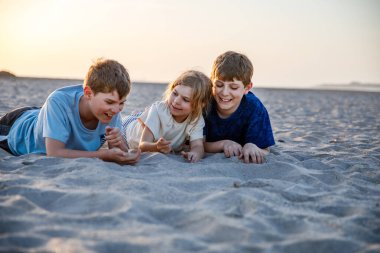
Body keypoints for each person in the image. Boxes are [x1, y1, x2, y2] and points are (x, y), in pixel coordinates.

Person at [0, 58, 140, 164]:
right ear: (88, 93)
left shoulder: (110, 111)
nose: (116, 109)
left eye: (122, 103)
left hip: (47, 116)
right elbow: (54, 153)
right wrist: (104, 154)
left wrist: (118, 144)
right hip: (14, 127)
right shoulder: (58, 101)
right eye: (110, 102)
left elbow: (118, 153)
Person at [122, 70, 212, 163]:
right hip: (126, 130)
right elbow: (143, 145)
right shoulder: (159, 111)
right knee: (142, 115)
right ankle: (139, 115)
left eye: (185, 99)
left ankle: (140, 115)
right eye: (175, 93)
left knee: (144, 115)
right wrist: (156, 147)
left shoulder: (196, 119)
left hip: (145, 120)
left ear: (200, 105)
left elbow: (198, 146)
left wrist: (195, 154)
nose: (176, 101)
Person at [204, 51, 275, 164]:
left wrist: (252, 146)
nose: (225, 92)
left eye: (233, 87)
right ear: (211, 82)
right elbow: (194, 144)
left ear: (247, 88)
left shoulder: (254, 108)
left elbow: (265, 149)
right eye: (219, 85)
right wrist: (223, 144)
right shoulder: (204, 103)